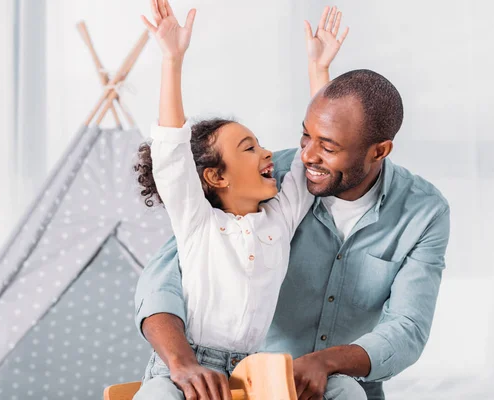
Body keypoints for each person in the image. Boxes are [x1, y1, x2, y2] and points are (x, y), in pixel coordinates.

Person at [135, 6, 451, 400]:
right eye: (305, 137)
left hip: (323, 379)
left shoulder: (423, 212)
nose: (305, 156)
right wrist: (172, 60)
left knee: (347, 393)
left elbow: (408, 328)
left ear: (379, 151)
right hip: (243, 368)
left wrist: (325, 362)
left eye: (328, 147)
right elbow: (171, 171)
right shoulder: (265, 183)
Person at [133, 1, 355, 399]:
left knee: (345, 392)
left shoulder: (280, 217)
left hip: (256, 368)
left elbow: (316, 150)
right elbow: (171, 153)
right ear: (216, 176)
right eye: (249, 148)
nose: (269, 153)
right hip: (188, 368)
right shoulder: (198, 223)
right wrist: (172, 60)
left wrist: (319, 70)